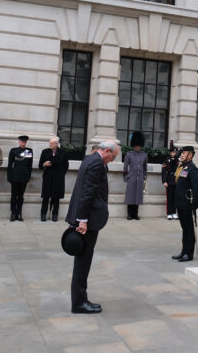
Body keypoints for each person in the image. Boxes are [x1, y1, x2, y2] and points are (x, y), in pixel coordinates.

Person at [65, 139, 120, 314]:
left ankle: (80, 299)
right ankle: (79, 302)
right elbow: (87, 192)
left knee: (82, 260)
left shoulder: (90, 159)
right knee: (83, 261)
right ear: (107, 151)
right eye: (114, 156)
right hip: (87, 219)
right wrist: (82, 220)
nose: (113, 160)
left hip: (86, 217)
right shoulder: (96, 163)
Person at [172, 146, 198, 262]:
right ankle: (184, 251)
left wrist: (195, 204)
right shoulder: (182, 166)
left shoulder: (192, 169)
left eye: (184, 153)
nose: (182, 155)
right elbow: (173, 163)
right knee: (184, 228)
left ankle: (188, 254)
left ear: (190, 155)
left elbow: (197, 189)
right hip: (180, 202)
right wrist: (178, 154)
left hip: (187, 203)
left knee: (189, 230)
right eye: (182, 153)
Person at [39, 136, 68, 221]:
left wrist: (61, 175)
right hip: (47, 177)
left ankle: (55, 214)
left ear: (56, 144)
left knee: (56, 197)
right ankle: (43, 214)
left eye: (52, 143)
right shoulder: (45, 152)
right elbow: (40, 165)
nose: (50, 144)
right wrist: (44, 164)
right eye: (49, 143)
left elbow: (66, 166)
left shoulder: (63, 152)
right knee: (45, 197)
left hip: (58, 178)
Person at [7, 135, 33, 221]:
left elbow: (30, 165)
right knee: (14, 196)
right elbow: (10, 165)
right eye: (22, 141)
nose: (23, 143)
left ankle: (19, 213)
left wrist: (28, 176)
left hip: (24, 177)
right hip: (15, 177)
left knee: (21, 196)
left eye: (25, 142)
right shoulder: (13, 151)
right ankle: (13, 213)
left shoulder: (29, 151)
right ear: (19, 141)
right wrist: (9, 177)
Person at [123, 131, 148, 220]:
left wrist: (144, 177)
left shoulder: (144, 155)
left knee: (138, 196)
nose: (138, 147)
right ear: (134, 145)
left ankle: (135, 214)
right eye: (136, 145)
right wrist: (126, 178)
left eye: (139, 145)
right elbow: (125, 167)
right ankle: (129, 214)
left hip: (140, 178)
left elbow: (145, 168)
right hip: (131, 177)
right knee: (130, 196)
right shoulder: (129, 154)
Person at [161, 146, 179, 220]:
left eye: (175, 152)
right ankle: (169, 213)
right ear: (170, 153)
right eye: (173, 152)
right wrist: (164, 181)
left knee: (175, 198)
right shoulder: (166, 161)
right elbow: (163, 172)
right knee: (169, 198)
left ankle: (174, 213)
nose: (174, 153)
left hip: (176, 181)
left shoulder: (178, 161)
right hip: (169, 180)